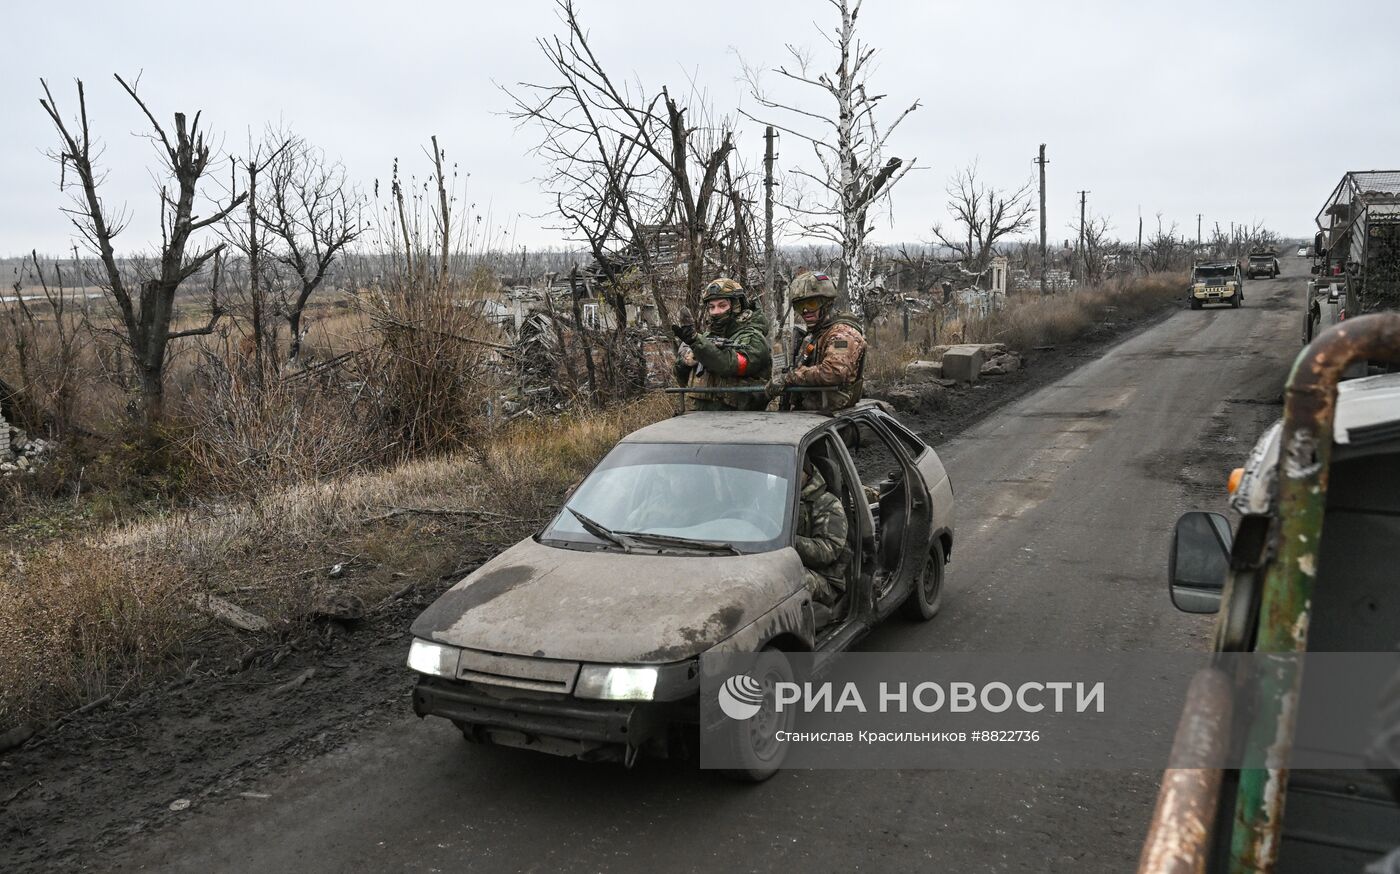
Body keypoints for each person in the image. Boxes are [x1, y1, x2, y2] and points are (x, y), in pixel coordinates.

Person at [765, 270, 867, 412]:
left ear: (826, 303)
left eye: (812, 304)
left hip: (834, 417)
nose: (806, 311)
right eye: (800, 306)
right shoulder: (816, 333)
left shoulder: (843, 334)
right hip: (812, 413)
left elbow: (833, 372)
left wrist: (790, 378)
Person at [671, 278, 772, 411]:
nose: (716, 312)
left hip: (744, 421)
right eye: (711, 307)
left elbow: (730, 364)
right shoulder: (705, 337)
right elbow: (681, 377)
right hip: (700, 419)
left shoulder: (753, 337)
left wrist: (697, 343)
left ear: (736, 306)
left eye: (722, 305)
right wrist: (686, 360)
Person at [795, 461, 849, 610]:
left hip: (826, 579)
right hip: (784, 565)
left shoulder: (828, 504)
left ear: (807, 473)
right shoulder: (776, 500)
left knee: (787, 583)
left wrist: (787, 541)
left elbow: (827, 551)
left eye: (796, 470)